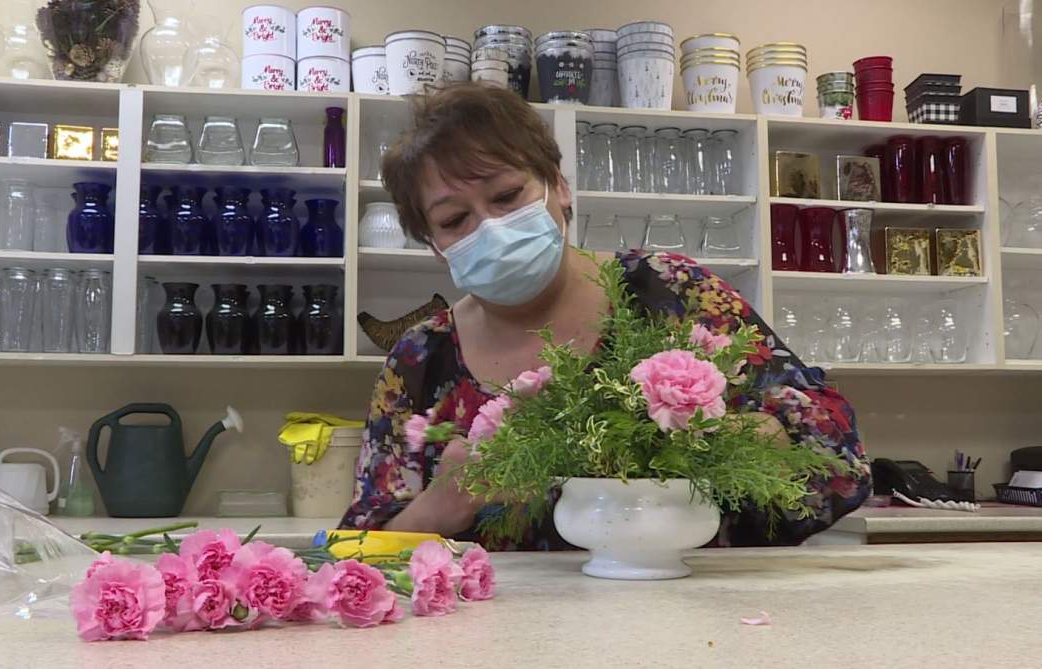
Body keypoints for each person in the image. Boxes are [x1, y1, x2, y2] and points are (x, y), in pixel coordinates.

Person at [340, 83, 871, 549]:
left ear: (558, 187)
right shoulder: (418, 360)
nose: (492, 228)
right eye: (455, 219)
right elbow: (355, 558)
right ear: (435, 247)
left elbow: (835, 456)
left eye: (507, 195)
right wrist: (444, 504)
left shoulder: (672, 293)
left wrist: (727, 438)